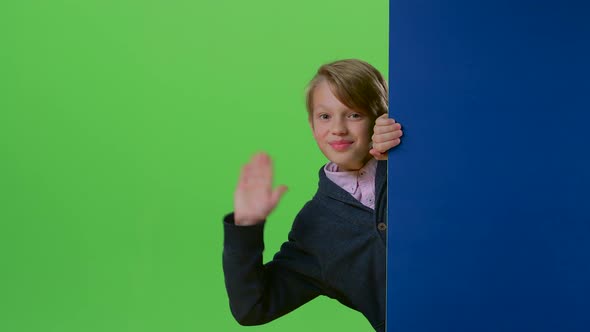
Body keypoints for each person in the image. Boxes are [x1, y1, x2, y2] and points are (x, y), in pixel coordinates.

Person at [222, 59, 403, 331]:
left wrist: (406, 154)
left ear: (380, 118)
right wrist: (245, 227)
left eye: (354, 114)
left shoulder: (412, 168)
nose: (338, 128)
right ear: (311, 125)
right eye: (325, 116)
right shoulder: (317, 226)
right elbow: (253, 307)